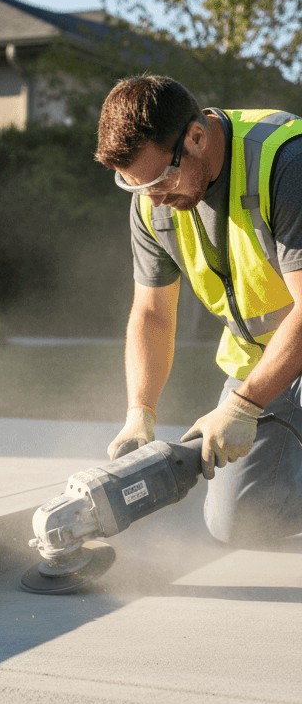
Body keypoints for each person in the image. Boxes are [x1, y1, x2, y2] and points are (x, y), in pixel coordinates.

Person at [95, 74, 302, 546]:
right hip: (267, 360)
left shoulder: (286, 163)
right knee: (239, 522)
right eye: (135, 186)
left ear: (195, 137)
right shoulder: (152, 201)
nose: (154, 198)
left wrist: (245, 404)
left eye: (160, 180)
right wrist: (140, 412)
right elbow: (152, 313)